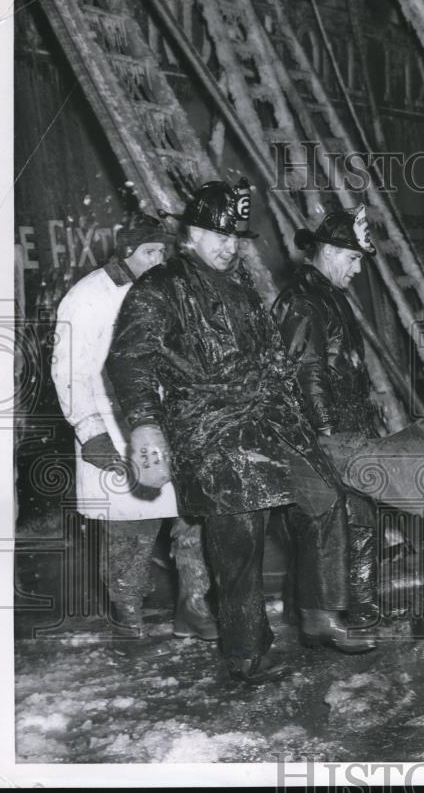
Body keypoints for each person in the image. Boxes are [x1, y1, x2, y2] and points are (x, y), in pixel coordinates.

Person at [107, 179, 373, 686]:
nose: (229, 246)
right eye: (218, 235)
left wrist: (301, 421)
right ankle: (246, 651)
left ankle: (320, 614)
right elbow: (128, 361)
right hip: (208, 426)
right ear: (190, 233)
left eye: (235, 238)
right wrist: (144, 425)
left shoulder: (242, 284)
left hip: (266, 419)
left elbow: (273, 358)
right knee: (240, 535)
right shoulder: (159, 288)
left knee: (324, 497)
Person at [51, 208, 216, 641]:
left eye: (164, 250)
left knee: (192, 518)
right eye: (150, 251)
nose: (159, 260)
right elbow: (69, 372)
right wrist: (92, 433)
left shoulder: (168, 292)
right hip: (116, 430)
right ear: (126, 252)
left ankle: (193, 610)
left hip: (171, 427)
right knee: (130, 533)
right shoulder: (86, 298)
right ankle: (129, 621)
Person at [271, 205, 381, 629]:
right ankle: (351, 616)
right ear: (332, 252)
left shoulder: (327, 296)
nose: (357, 269)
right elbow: (307, 372)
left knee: (353, 522)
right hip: (328, 434)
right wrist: (327, 435)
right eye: (353, 258)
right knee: (348, 524)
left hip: (347, 428)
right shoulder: (303, 301)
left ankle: (350, 612)